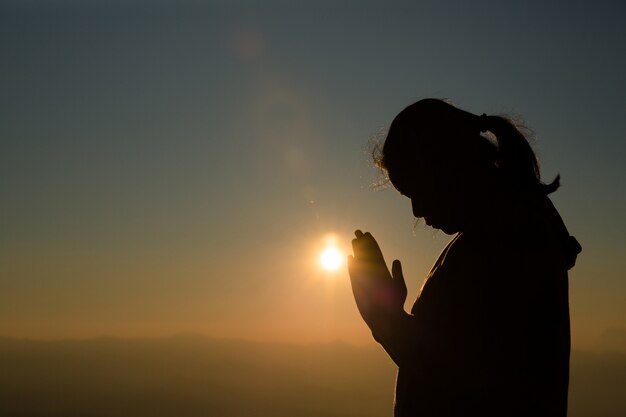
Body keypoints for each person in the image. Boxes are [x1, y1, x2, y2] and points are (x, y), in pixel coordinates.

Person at [347, 98, 581, 417]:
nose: (416, 210)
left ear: (449, 167)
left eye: (418, 190)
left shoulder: (509, 241)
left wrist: (385, 320)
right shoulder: (505, 230)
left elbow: (465, 377)